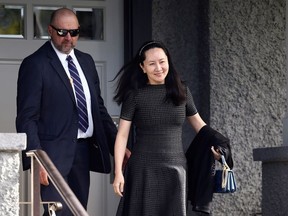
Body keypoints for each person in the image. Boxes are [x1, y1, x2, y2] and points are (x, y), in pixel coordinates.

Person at [16, 8, 121, 216]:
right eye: (62, 32)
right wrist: (37, 159)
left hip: (82, 152)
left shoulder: (87, 62)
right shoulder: (35, 64)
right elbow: (27, 117)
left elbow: (97, 109)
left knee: (78, 211)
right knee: (57, 212)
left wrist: (118, 147)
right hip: (51, 156)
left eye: (74, 32)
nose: (68, 38)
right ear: (50, 30)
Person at [112, 40, 221, 216]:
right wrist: (118, 172)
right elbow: (122, 135)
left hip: (176, 170)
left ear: (168, 61)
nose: (159, 68)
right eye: (152, 63)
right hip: (142, 170)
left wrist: (219, 146)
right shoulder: (135, 95)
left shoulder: (182, 91)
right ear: (142, 67)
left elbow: (200, 126)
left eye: (162, 62)